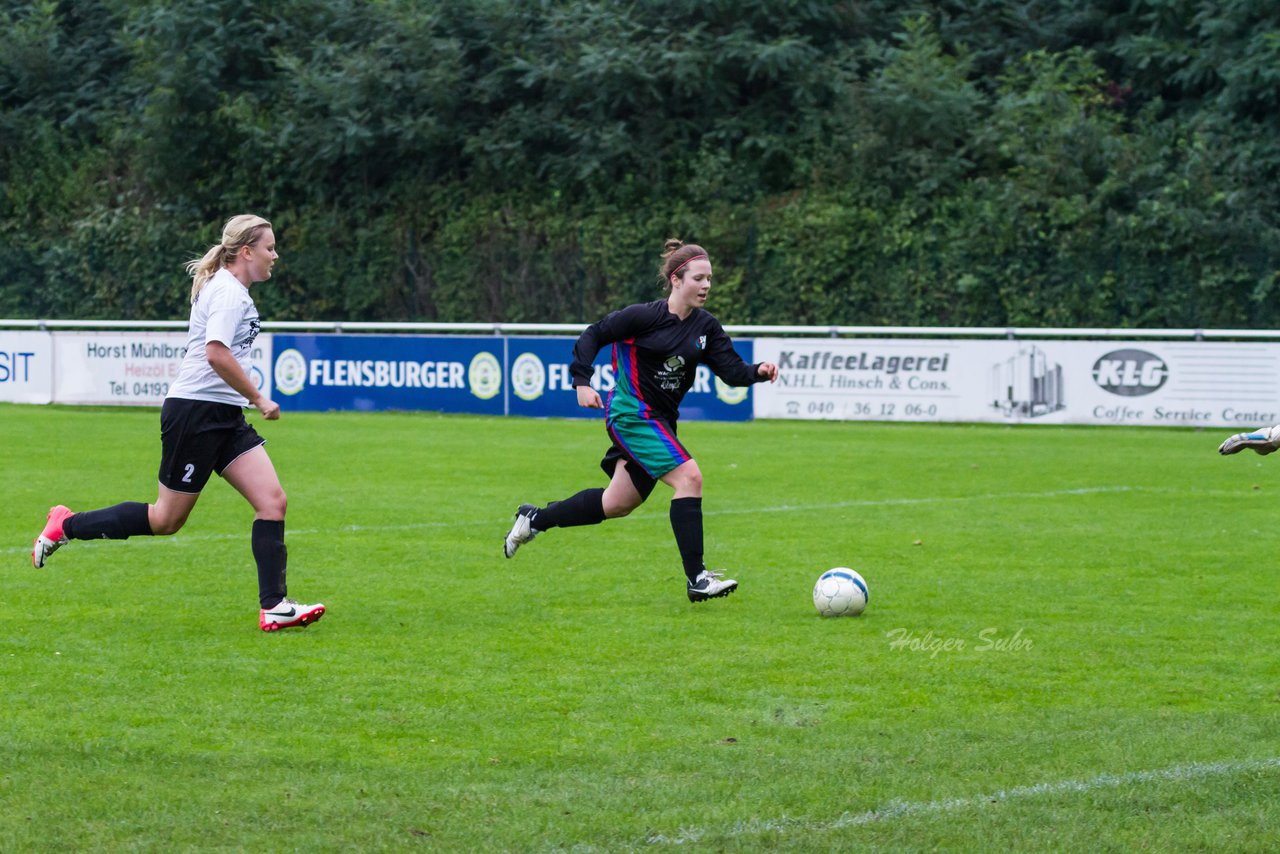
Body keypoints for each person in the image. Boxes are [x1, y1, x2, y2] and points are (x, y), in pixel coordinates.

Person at [31, 214, 325, 632]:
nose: (274, 256)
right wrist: (258, 397)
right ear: (246, 251)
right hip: (196, 413)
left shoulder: (233, 289)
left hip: (222, 415)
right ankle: (66, 525)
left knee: (272, 501)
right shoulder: (228, 293)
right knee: (166, 519)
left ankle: (274, 606)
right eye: (269, 248)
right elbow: (216, 353)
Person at [503, 238, 779, 602]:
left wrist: (758, 370)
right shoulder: (643, 317)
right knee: (690, 477)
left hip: (661, 422)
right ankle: (697, 578)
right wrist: (581, 382)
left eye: (710, 278)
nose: (707, 285)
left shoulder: (706, 327)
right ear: (677, 279)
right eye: (699, 278)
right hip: (632, 415)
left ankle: (534, 519)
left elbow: (731, 372)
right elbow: (594, 335)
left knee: (617, 504)